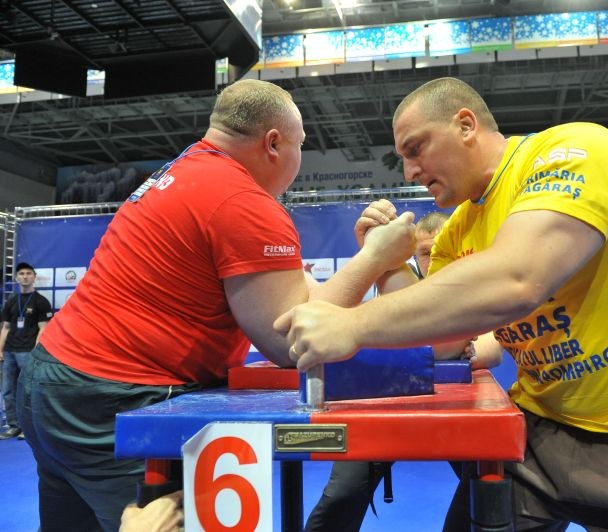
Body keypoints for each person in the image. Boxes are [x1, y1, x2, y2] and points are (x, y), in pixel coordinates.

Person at [276, 77, 608, 530]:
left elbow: (520, 278)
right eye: (402, 159)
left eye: (415, 149)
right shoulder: (456, 232)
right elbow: (439, 344)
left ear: (465, 125)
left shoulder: (577, 149)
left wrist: (352, 325)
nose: (409, 172)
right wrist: (383, 260)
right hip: (540, 436)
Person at [18, 79, 415, 532]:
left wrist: (371, 256)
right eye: (301, 146)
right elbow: (290, 340)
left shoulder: (187, 172)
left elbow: (304, 297)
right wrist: (375, 259)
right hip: (110, 399)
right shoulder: (242, 200)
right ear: (274, 143)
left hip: (52, 384)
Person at [305, 210, 503, 532]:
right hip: (391, 401)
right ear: (414, 255)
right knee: (341, 496)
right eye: (425, 252)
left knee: (485, 485)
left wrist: (440, 348)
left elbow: (492, 347)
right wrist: (453, 347)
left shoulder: (473, 281)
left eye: (440, 249)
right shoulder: (399, 282)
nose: (434, 258)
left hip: (458, 407)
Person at [0, 262, 52, 440]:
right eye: (21, 273)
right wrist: (0, 350)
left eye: (28, 273)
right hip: (9, 352)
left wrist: (35, 350)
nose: (25, 276)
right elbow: (5, 328)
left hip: (28, 351)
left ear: (34, 277)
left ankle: (27, 428)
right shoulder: (11, 301)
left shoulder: (41, 301)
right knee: (7, 390)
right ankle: (14, 425)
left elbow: (43, 328)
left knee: (28, 390)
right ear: (16, 278)